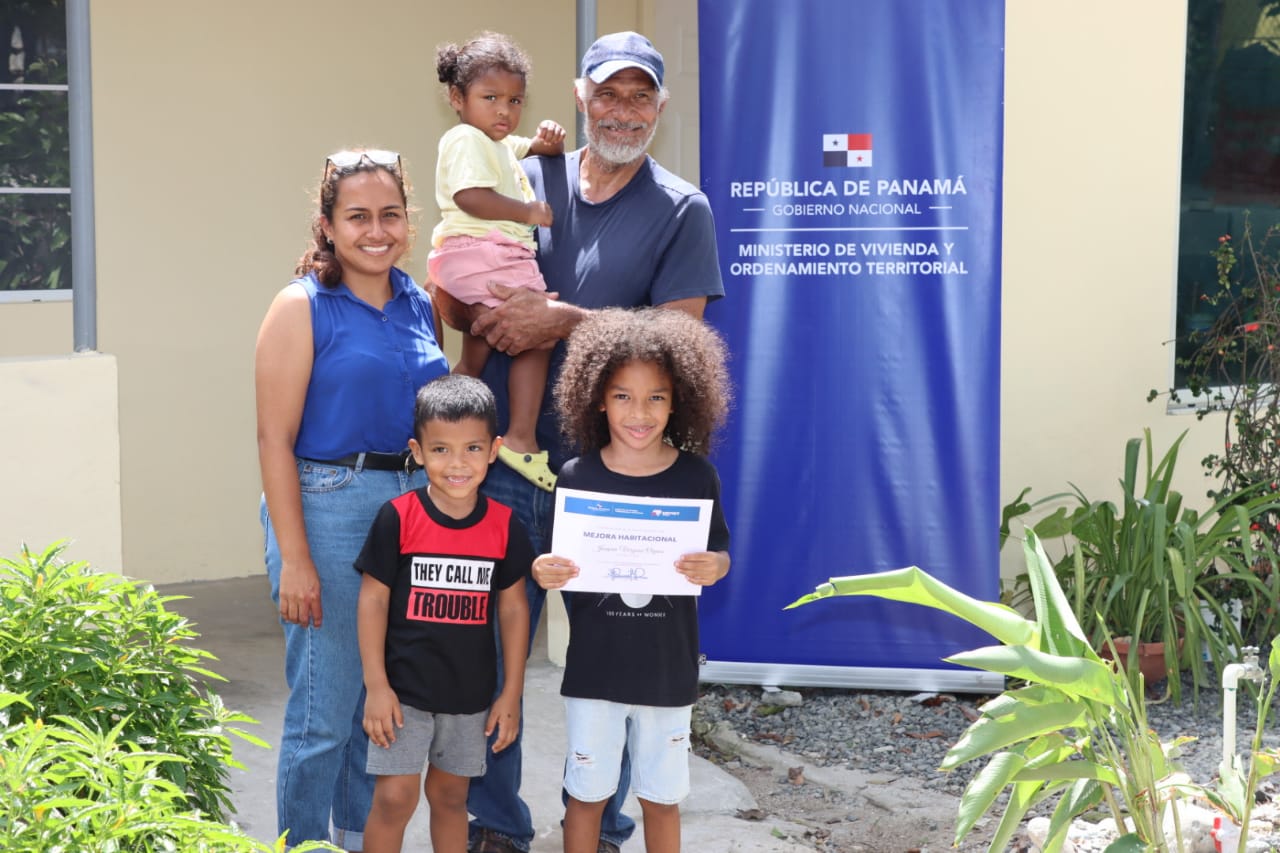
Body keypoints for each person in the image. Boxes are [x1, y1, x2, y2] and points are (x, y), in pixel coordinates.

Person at [431, 31, 726, 853]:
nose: (623, 110)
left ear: (660, 107)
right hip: (502, 462)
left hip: (616, 476)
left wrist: (563, 320)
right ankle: (496, 820)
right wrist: (478, 307)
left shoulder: (682, 209)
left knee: (620, 652)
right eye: (608, 93)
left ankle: (601, 822)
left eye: (640, 95)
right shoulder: (525, 175)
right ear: (581, 97)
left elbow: (682, 339)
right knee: (487, 650)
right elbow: (456, 279)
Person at [256, 148, 449, 851]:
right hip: (329, 505)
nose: (376, 231)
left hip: (411, 510)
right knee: (325, 712)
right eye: (358, 216)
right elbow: (274, 439)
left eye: (390, 215)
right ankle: (304, 843)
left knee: (380, 706)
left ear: (408, 222)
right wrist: (296, 558)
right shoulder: (301, 306)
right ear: (328, 225)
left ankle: (354, 839)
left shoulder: (418, 302)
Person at [532, 307, 732, 853]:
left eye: (655, 398)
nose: (639, 413)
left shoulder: (697, 477)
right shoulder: (576, 478)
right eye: (623, 396)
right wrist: (542, 570)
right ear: (597, 397)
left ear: (678, 401)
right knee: (586, 796)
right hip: (594, 669)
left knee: (662, 798)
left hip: (668, 671)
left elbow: (719, 552)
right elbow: (553, 561)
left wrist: (716, 566)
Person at [355, 375, 532, 853]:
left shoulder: (504, 525)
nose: (457, 463)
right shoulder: (398, 517)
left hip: (469, 697)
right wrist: (376, 686)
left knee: (451, 797)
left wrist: (510, 692)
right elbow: (372, 600)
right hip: (403, 693)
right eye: (441, 450)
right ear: (417, 452)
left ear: (494, 450)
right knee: (394, 799)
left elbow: (514, 608)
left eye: (472, 448)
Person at [429, 32, 566, 494]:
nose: (504, 111)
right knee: (538, 330)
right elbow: (470, 196)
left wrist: (545, 144)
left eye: (515, 100)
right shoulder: (466, 138)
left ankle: (452, 398)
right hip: (486, 252)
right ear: (457, 98)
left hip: (470, 258)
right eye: (490, 98)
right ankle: (521, 438)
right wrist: (527, 212)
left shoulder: (494, 141)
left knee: (482, 343)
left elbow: (525, 148)